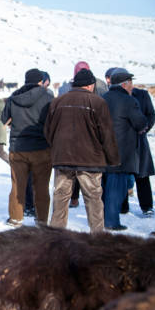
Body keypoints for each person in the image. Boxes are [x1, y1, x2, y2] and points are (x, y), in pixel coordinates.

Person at [45, 69, 120, 233]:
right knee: (93, 200)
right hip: (90, 160)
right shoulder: (98, 103)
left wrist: (57, 150)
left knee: (60, 200)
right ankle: (97, 239)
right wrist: (113, 159)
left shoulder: (57, 102)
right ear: (91, 85)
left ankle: (54, 240)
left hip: (63, 159)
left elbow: (48, 132)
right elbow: (107, 134)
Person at [2, 68, 53, 227]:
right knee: (42, 186)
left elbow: (4, 118)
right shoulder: (47, 96)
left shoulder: (14, 97)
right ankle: (42, 219)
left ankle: (16, 218)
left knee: (17, 185)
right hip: (42, 147)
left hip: (18, 148)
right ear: (40, 81)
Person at [102, 68, 148, 230]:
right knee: (118, 187)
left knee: (108, 186)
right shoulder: (128, 101)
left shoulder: (103, 98)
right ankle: (111, 221)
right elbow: (141, 123)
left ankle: (107, 217)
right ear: (125, 84)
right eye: (131, 83)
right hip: (123, 151)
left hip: (105, 149)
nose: (132, 86)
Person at [122, 85, 155, 216]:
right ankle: (123, 206)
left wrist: (144, 130)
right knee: (122, 175)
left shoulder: (142, 95)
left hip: (140, 141)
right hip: (123, 142)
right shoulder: (116, 95)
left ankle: (147, 206)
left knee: (142, 175)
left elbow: (151, 115)